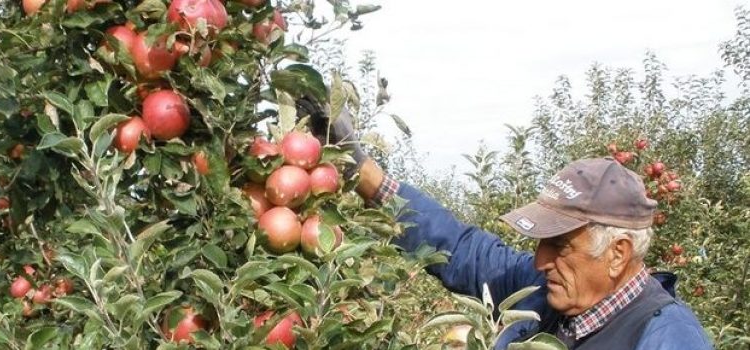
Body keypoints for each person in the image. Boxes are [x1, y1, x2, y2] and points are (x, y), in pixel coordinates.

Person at [295, 98, 713, 349]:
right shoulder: (544, 295)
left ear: (617, 254)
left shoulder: (667, 339)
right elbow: (459, 248)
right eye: (541, 242)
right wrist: (364, 173)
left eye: (560, 244)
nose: (540, 259)